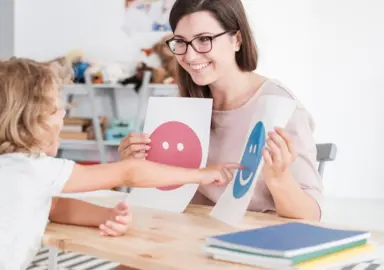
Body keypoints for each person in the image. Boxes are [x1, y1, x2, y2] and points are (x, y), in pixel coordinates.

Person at [0, 57, 240, 270]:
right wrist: (203, 173)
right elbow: (130, 170)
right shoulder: (29, 168)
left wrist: (105, 215)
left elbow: (53, 207)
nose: (63, 115)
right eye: (55, 110)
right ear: (28, 122)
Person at [118, 0, 323, 221]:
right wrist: (136, 162)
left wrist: (279, 178)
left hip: (251, 240)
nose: (190, 56)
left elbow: (311, 215)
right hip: (188, 234)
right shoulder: (184, 103)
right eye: (180, 42)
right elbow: (165, 192)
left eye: (204, 40)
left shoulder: (280, 107)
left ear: (237, 39)